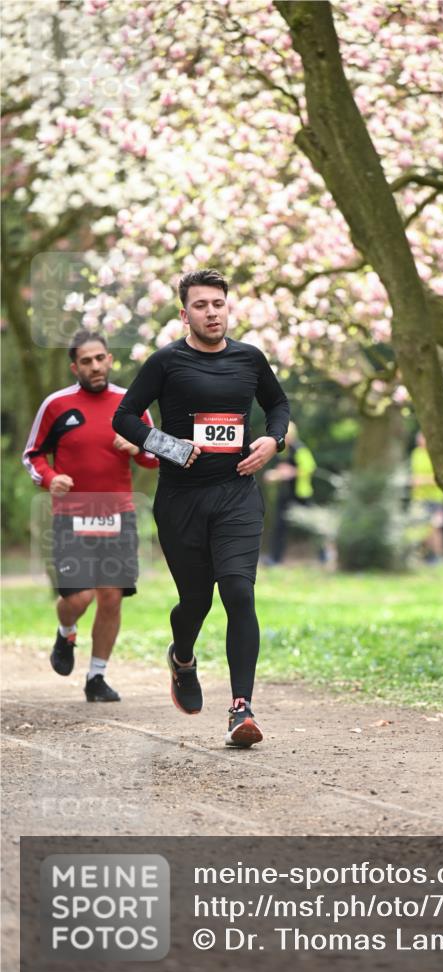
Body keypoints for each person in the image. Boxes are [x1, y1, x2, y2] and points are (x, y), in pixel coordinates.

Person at [112, 268, 289, 748]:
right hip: (181, 500)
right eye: (201, 306)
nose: (211, 313)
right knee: (196, 600)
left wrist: (273, 441)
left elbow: (278, 406)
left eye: (218, 304)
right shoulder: (166, 362)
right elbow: (124, 417)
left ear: (227, 307)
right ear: (184, 313)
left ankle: (240, 710)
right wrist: (168, 446)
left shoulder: (250, 359)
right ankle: (183, 658)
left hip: (236, 494)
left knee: (238, 592)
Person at [22, 331, 159, 702]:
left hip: (119, 516)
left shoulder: (130, 405)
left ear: (109, 360)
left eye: (100, 358)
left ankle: (97, 678)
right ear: (75, 366)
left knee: (111, 597)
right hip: (72, 517)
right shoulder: (56, 404)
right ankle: (66, 631)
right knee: (80, 597)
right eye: (86, 361)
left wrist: (136, 445)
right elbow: (33, 454)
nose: (95, 366)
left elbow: (155, 454)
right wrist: (50, 478)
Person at [264, 422, 317, 564]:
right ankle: (275, 559)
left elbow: (310, 468)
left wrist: (291, 472)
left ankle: (323, 556)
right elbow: (281, 471)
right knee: (279, 527)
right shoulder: (282, 451)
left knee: (312, 526)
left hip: (301, 494)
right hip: (285, 494)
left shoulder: (300, 449)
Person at [410, 430, 443, 562]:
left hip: (436, 498)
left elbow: (440, 477)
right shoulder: (416, 454)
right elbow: (414, 476)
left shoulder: (437, 455)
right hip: (420, 497)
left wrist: (422, 480)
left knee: (435, 527)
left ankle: (439, 556)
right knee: (422, 528)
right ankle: (427, 556)